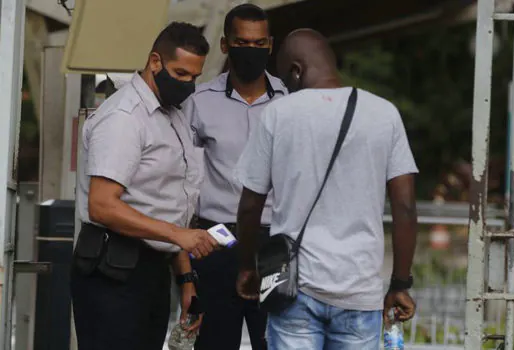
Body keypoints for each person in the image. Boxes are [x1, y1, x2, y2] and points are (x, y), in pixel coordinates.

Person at [234, 29, 418, 349]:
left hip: (294, 288)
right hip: (361, 290)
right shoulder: (384, 113)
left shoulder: (278, 114)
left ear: (296, 70)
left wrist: (248, 266)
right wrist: (400, 283)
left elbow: (250, 204)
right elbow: (404, 206)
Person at [71, 22, 219, 350]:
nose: (188, 85)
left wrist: (186, 280)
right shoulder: (124, 118)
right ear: (155, 62)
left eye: (194, 77)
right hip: (112, 273)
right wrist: (177, 235)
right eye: (180, 74)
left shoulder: (172, 115)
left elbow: (167, 204)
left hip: (152, 270)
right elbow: (102, 205)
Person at [182, 4, 286, 350]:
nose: (251, 51)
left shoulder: (290, 103)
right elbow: (179, 169)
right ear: (225, 45)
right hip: (218, 239)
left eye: (259, 44)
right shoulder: (199, 101)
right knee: (213, 342)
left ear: (270, 44)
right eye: (242, 42)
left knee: (274, 341)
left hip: (273, 243)